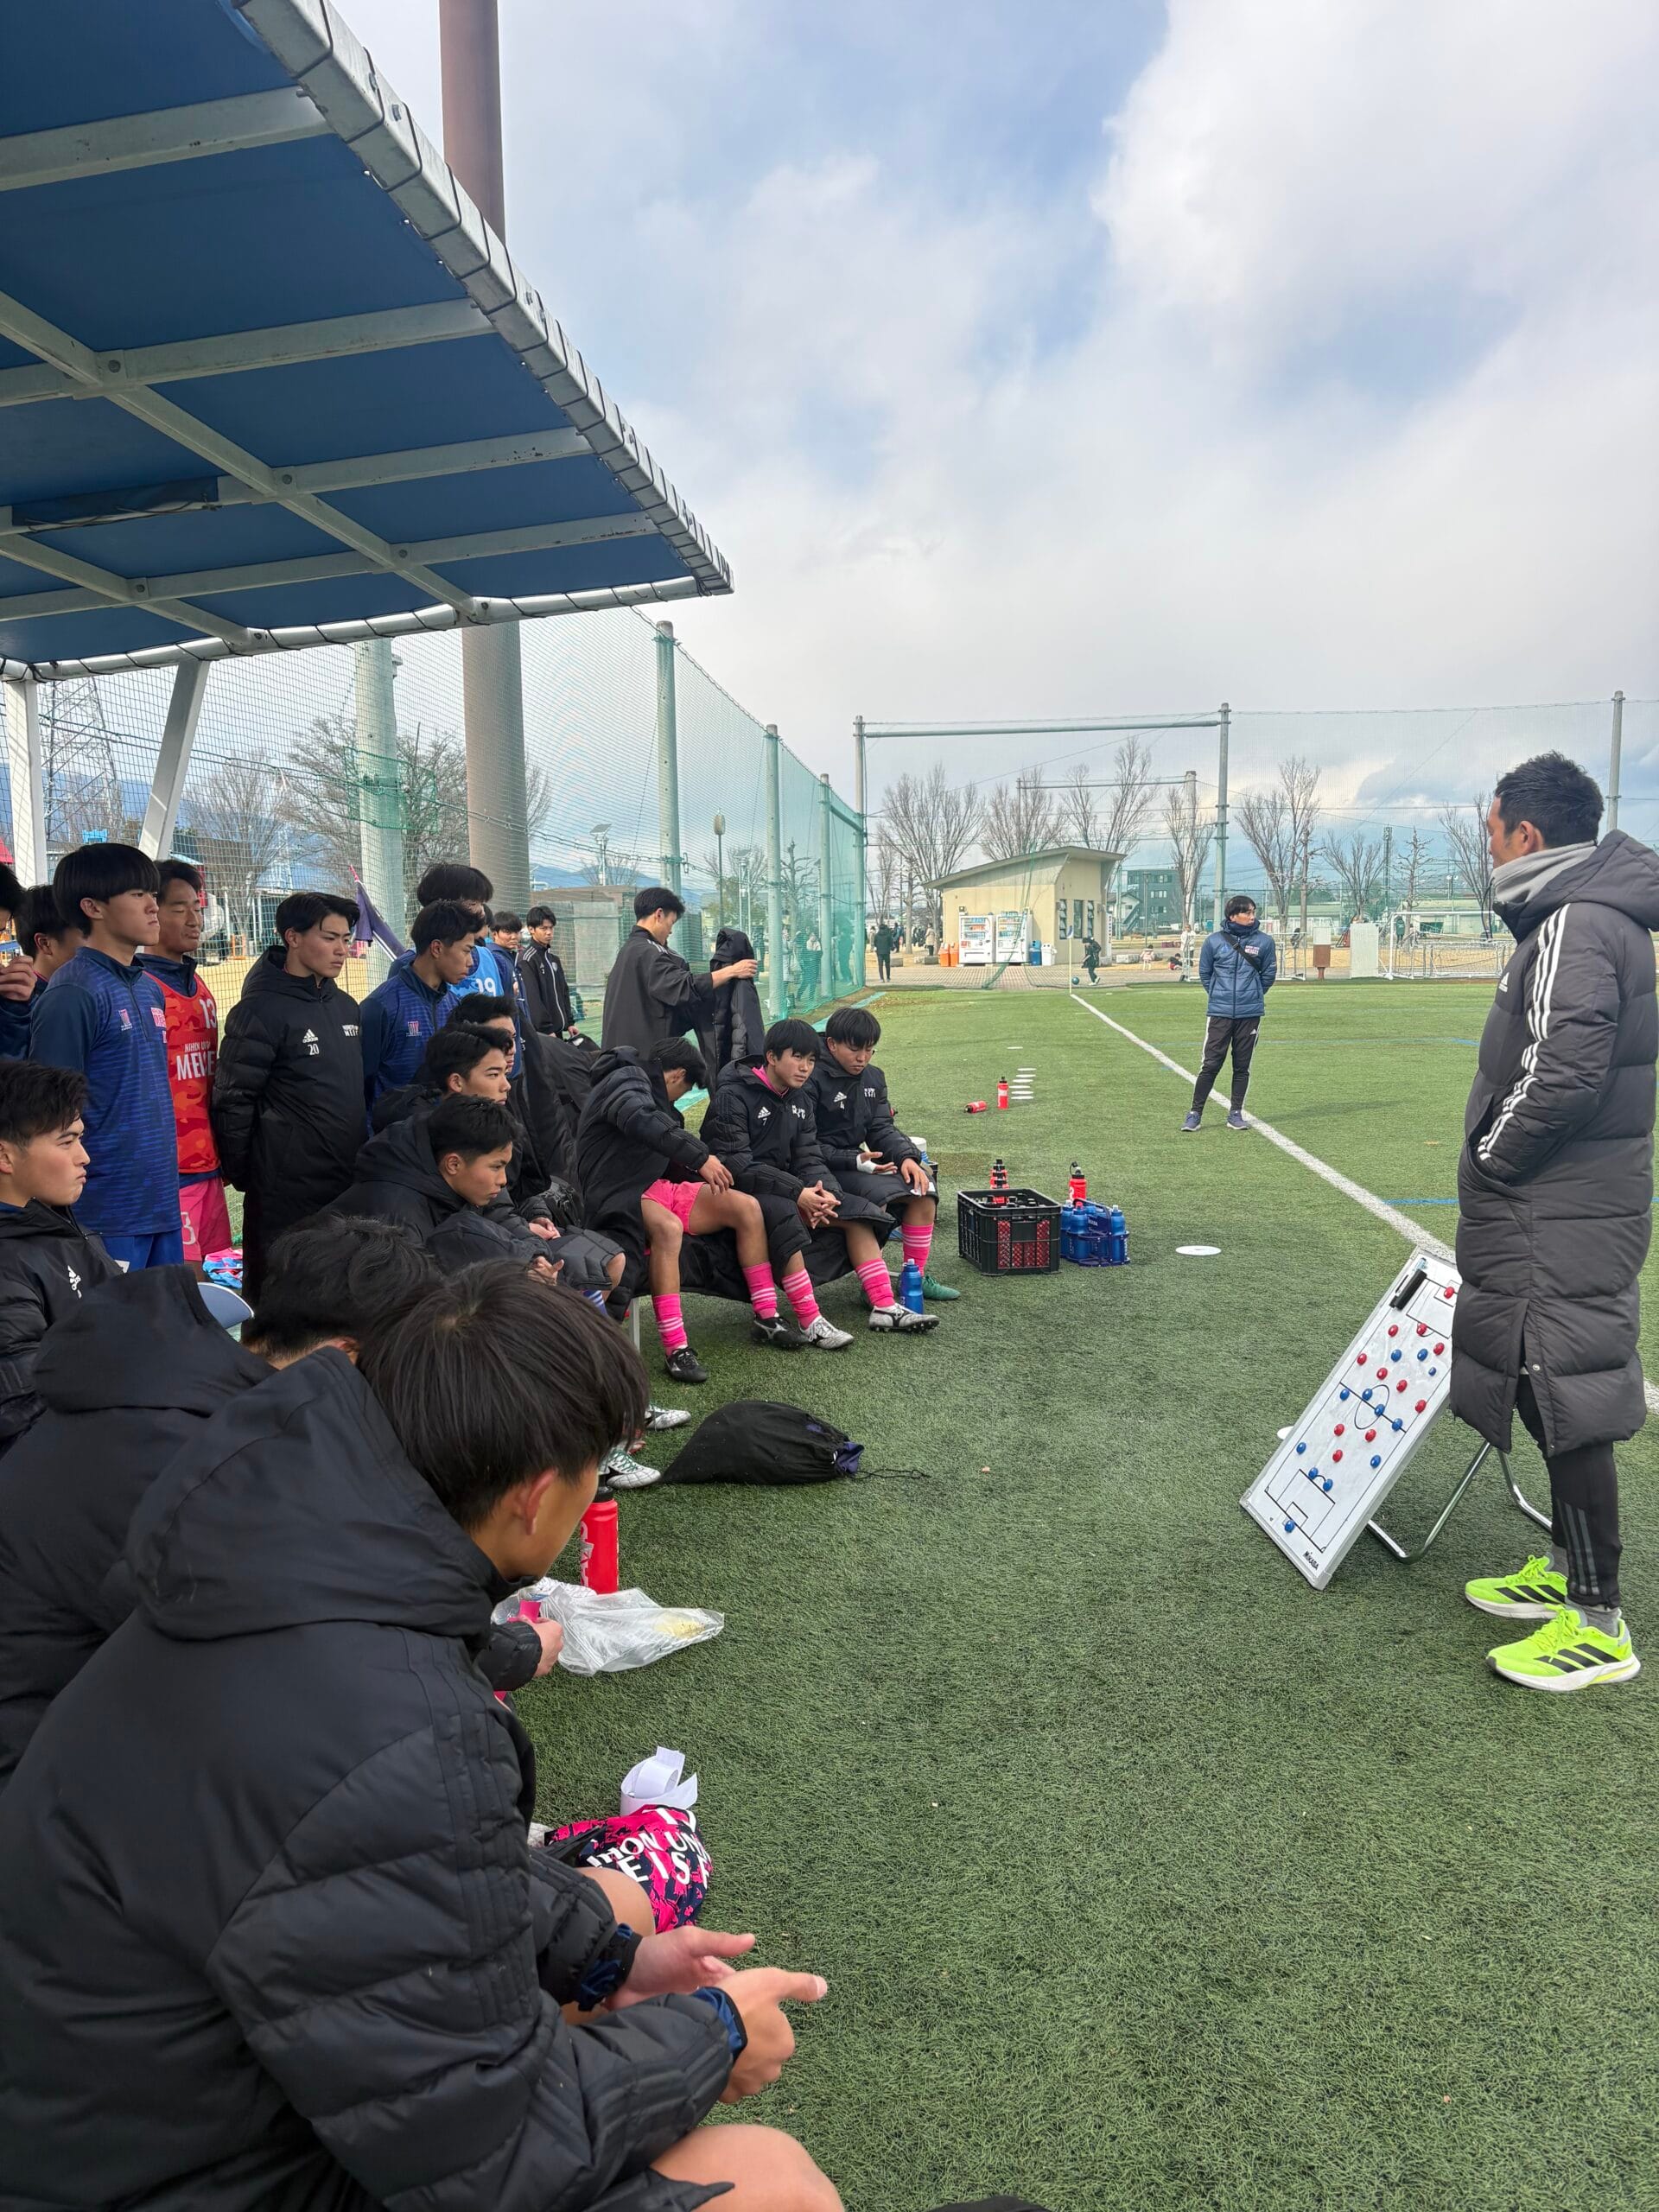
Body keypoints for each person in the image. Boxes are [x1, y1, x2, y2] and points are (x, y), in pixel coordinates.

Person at [0, 1262, 839, 2212]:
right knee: (766, 2182)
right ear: (535, 1495)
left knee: (620, 1912)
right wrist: (714, 2035)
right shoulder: (392, 1716)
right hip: (171, 2172)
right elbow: (496, 2163)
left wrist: (609, 1958)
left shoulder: (266, 1565)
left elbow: (369, 1868)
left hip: (117, 2119)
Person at [0, 1219, 445, 1788]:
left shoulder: (186, 1384)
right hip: (37, 1773)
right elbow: (287, 1648)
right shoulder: (189, 1457)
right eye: (400, 1369)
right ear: (341, 1358)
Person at [1453, 753, 1659, 1691]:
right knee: (1548, 1386)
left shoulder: (1576, 920)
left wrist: (1491, 1159)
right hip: (1569, 1204)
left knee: (1561, 1392)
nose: (1489, 848)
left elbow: (1563, 1074)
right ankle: (1571, 1570)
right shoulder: (1583, 914)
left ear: (1527, 835)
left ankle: (1597, 1621)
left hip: (1554, 1208)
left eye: (1492, 832)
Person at [578, 1038, 806, 1383]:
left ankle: (767, 1316)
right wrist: (701, 1157)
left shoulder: (663, 1107)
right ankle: (676, 1348)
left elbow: (664, 1150)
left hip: (659, 1188)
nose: (678, 1102)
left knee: (746, 1207)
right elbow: (640, 1119)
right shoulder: (626, 1077)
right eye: (684, 1091)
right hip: (619, 1194)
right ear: (677, 1075)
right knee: (669, 1229)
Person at [703, 1019, 937, 1339]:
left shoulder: (798, 1098)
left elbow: (808, 1156)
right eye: (797, 1057)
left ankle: (884, 1306)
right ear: (772, 1057)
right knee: (784, 1216)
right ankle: (809, 1320)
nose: (805, 1068)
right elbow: (738, 1165)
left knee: (854, 1215)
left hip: (786, 1185)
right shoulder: (733, 1096)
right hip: (740, 1189)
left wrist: (827, 1194)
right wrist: (798, 1192)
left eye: (811, 1060)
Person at [29, 842, 182, 1268]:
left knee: (166, 1310)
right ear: (92, 907)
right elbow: (47, 1112)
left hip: (160, 1202)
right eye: (137, 894)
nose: (153, 907)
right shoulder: (73, 992)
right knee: (116, 1314)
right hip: (104, 1212)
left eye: (153, 894)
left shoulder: (148, 988)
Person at [212, 889, 365, 1298]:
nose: (341, 950)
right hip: (284, 1188)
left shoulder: (347, 1007)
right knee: (277, 1292)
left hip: (343, 1180)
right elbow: (232, 1100)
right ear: (292, 937)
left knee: (335, 1292)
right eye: (329, 938)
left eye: (346, 939)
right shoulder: (259, 1011)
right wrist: (251, 1173)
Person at [0, 1064, 119, 1454]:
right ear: (5, 1156)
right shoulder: (9, 1268)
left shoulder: (58, 1225)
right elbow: (23, 1414)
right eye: (66, 1142)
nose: (84, 1157)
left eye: (80, 1139)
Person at [808, 1005, 957, 1303]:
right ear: (832, 1044)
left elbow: (881, 1127)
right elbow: (803, 1143)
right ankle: (873, 1285)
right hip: (819, 1167)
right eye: (854, 1050)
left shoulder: (874, 1078)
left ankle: (914, 1277)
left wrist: (906, 1158)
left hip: (859, 1162)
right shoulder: (810, 1076)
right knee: (877, 1199)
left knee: (923, 1188)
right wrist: (854, 1161)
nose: (862, 1058)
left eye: (869, 1050)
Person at [140, 859, 233, 1266]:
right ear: (150, 910)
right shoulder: (140, 989)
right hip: (167, 1169)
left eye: (197, 907)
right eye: (180, 909)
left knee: (218, 1277)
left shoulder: (201, 986)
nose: (195, 919)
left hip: (209, 1162)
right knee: (182, 1283)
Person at [602, 885, 757, 1056]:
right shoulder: (650, 952)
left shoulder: (629, 949)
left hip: (620, 1055)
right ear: (659, 914)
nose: (670, 931)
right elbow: (683, 987)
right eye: (671, 923)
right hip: (643, 1058)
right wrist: (732, 971)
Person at [359, 898, 478, 1104]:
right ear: (437, 948)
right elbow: (361, 1084)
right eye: (466, 951)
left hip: (443, 1122)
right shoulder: (381, 1007)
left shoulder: (454, 1005)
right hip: (393, 1124)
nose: (471, 962)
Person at [1182, 895, 1276, 1133]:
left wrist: (1252, 994)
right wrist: (1219, 994)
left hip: (1250, 1013)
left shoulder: (1265, 942)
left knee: (1242, 1065)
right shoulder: (1213, 942)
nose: (1252, 916)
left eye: (1253, 912)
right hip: (1219, 1012)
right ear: (1233, 916)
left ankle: (1235, 1113)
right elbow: (1205, 973)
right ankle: (1195, 1113)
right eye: (1247, 912)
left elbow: (1268, 974)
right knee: (1210, 1064)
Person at [520, 901, 582, 1036]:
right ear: (531, 929)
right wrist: (546, 1029)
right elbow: (532, 998)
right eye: (543, 928)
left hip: (557, 1032)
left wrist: (569, 1023)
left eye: (551, 928)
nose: (549, 932)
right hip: (543, 1034)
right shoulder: (527, 959)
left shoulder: (554, 959)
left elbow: (563, 991)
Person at [873, 918, 896, 983]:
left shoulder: (877, 935)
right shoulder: (888, 935)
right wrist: (892, 948)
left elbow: (875, 943)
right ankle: (888, 977)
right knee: (887, 965)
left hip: (879, 952)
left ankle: (881, 978)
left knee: (880, 965)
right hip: (886, 952)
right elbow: (891, 943)